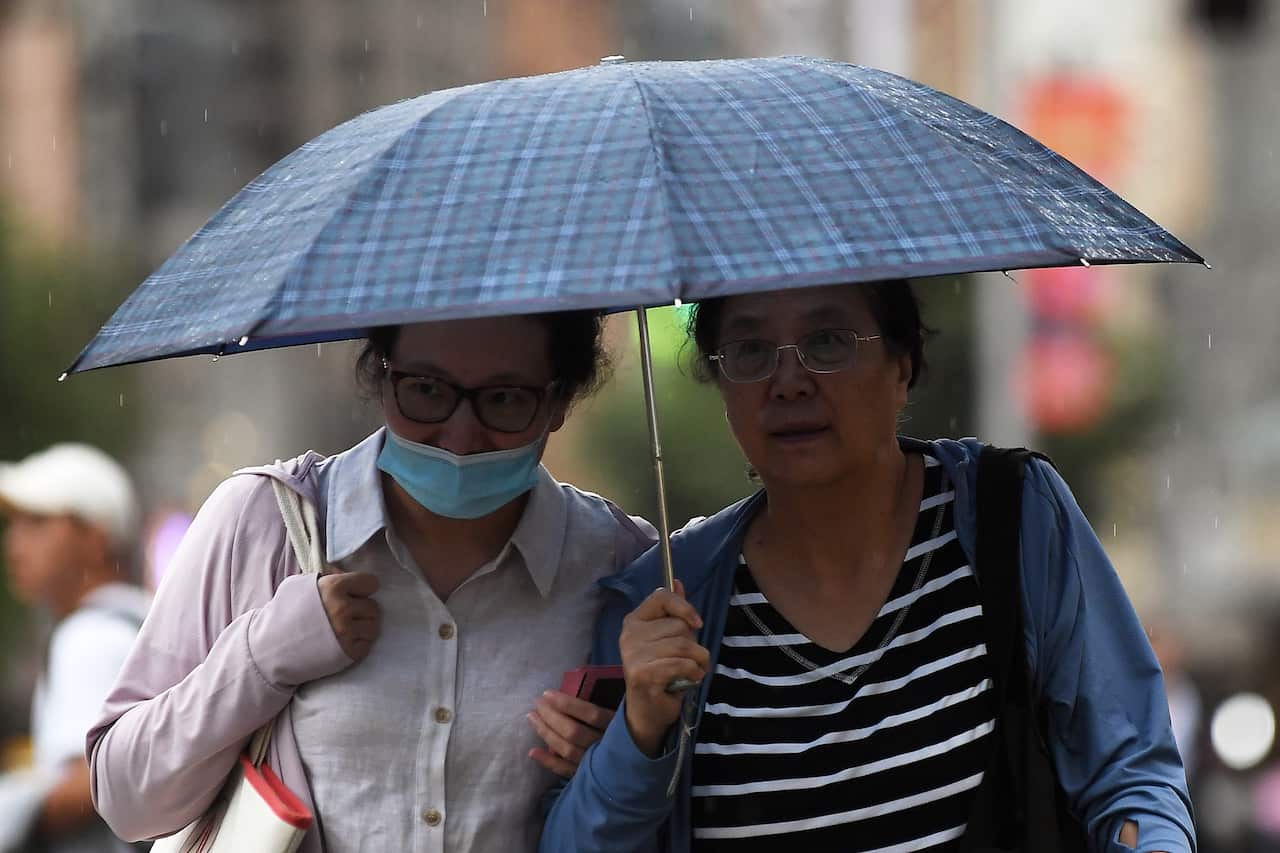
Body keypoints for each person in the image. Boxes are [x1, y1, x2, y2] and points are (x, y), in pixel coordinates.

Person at [538, 280, 1195, 852]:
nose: (788, 381)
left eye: (828, 342)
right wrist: (639, 734)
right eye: (749, 352)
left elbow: (1130, 773)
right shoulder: (664, 604)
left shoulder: (1015, 516)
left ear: (902, 363)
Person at [87, 311, 656, 853]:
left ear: (558, 400)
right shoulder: (263, 524)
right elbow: (127, 799)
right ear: (382, 375)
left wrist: (621, 759)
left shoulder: (620, 562)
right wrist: (262, 657)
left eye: (504, 399)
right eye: (428, 390)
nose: (459, 436)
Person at [0, 443, 150, 853]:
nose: (15, 542)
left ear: (96, 538)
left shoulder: (89, 636)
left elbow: (94, 782)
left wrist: (14, 810)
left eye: (37, 522)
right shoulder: (139, 618)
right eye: (14, 524)